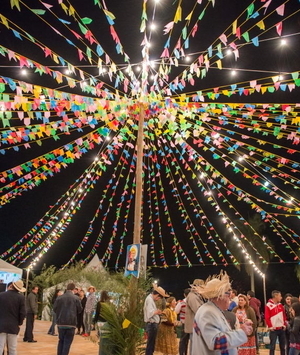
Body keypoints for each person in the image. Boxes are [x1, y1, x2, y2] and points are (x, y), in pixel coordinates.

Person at [192, 271, 253, 355]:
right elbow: (215, 342)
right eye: (228, 293)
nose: (230, 297)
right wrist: (241, 332)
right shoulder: (208, 312)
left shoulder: (212, 310)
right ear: (220, 296)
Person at [53, 283, 82, 355]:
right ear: (74, 289)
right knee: (67, 342)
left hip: (60, 323)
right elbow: (80, 309)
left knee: (61, 341)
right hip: (71, 323)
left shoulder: (59, 297)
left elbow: (54, 309)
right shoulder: (76, 298)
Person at [0, 280, 26, 355]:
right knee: (12, 348)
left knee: (0, 347)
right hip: (13, 325)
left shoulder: (1, 295)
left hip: (1, 325)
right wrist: (19, 323)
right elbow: (22, 313)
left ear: (11, 286)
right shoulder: (21, 298)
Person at [143, 284, 169, 355]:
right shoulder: (149, 300)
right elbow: (150, 313)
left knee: (151, 343)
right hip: (152, 324)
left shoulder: (150, 299)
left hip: (152, 324)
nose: (158, 300)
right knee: (151, 343)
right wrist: (157, 312)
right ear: (157, 295)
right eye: (159, 298)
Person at [185, 279, 204, 354]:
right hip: (194, 326)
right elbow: (198, 310)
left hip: (195, 326)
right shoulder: (193, 297)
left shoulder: (195, 296)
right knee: (194, 346)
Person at [265, 290, 286, 355]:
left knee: (282, 346)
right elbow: (267, 317)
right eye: (280, 296)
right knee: (272, 346)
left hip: (281, 328)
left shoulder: (280, 305)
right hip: (273, 329)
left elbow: (284, 316)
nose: (281, 297)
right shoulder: (268, 305)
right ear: (276, 296)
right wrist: (270, 326)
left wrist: (284, 324)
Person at [94, 290, 111, 355]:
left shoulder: (99, 303)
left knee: (101, 336)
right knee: (106, 337)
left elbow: (97, 313)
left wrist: (94, 321)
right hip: (106, 321)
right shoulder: (109, 303)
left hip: (100, 321)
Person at [175, 288, 190, 355]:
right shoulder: (193, 302)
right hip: (191, 323)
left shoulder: (182, 302)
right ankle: (186, 352)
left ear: (184, 294)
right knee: (188, 340)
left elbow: (176, 311)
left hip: (184, 323)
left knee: (183, 340)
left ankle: (182, 353)